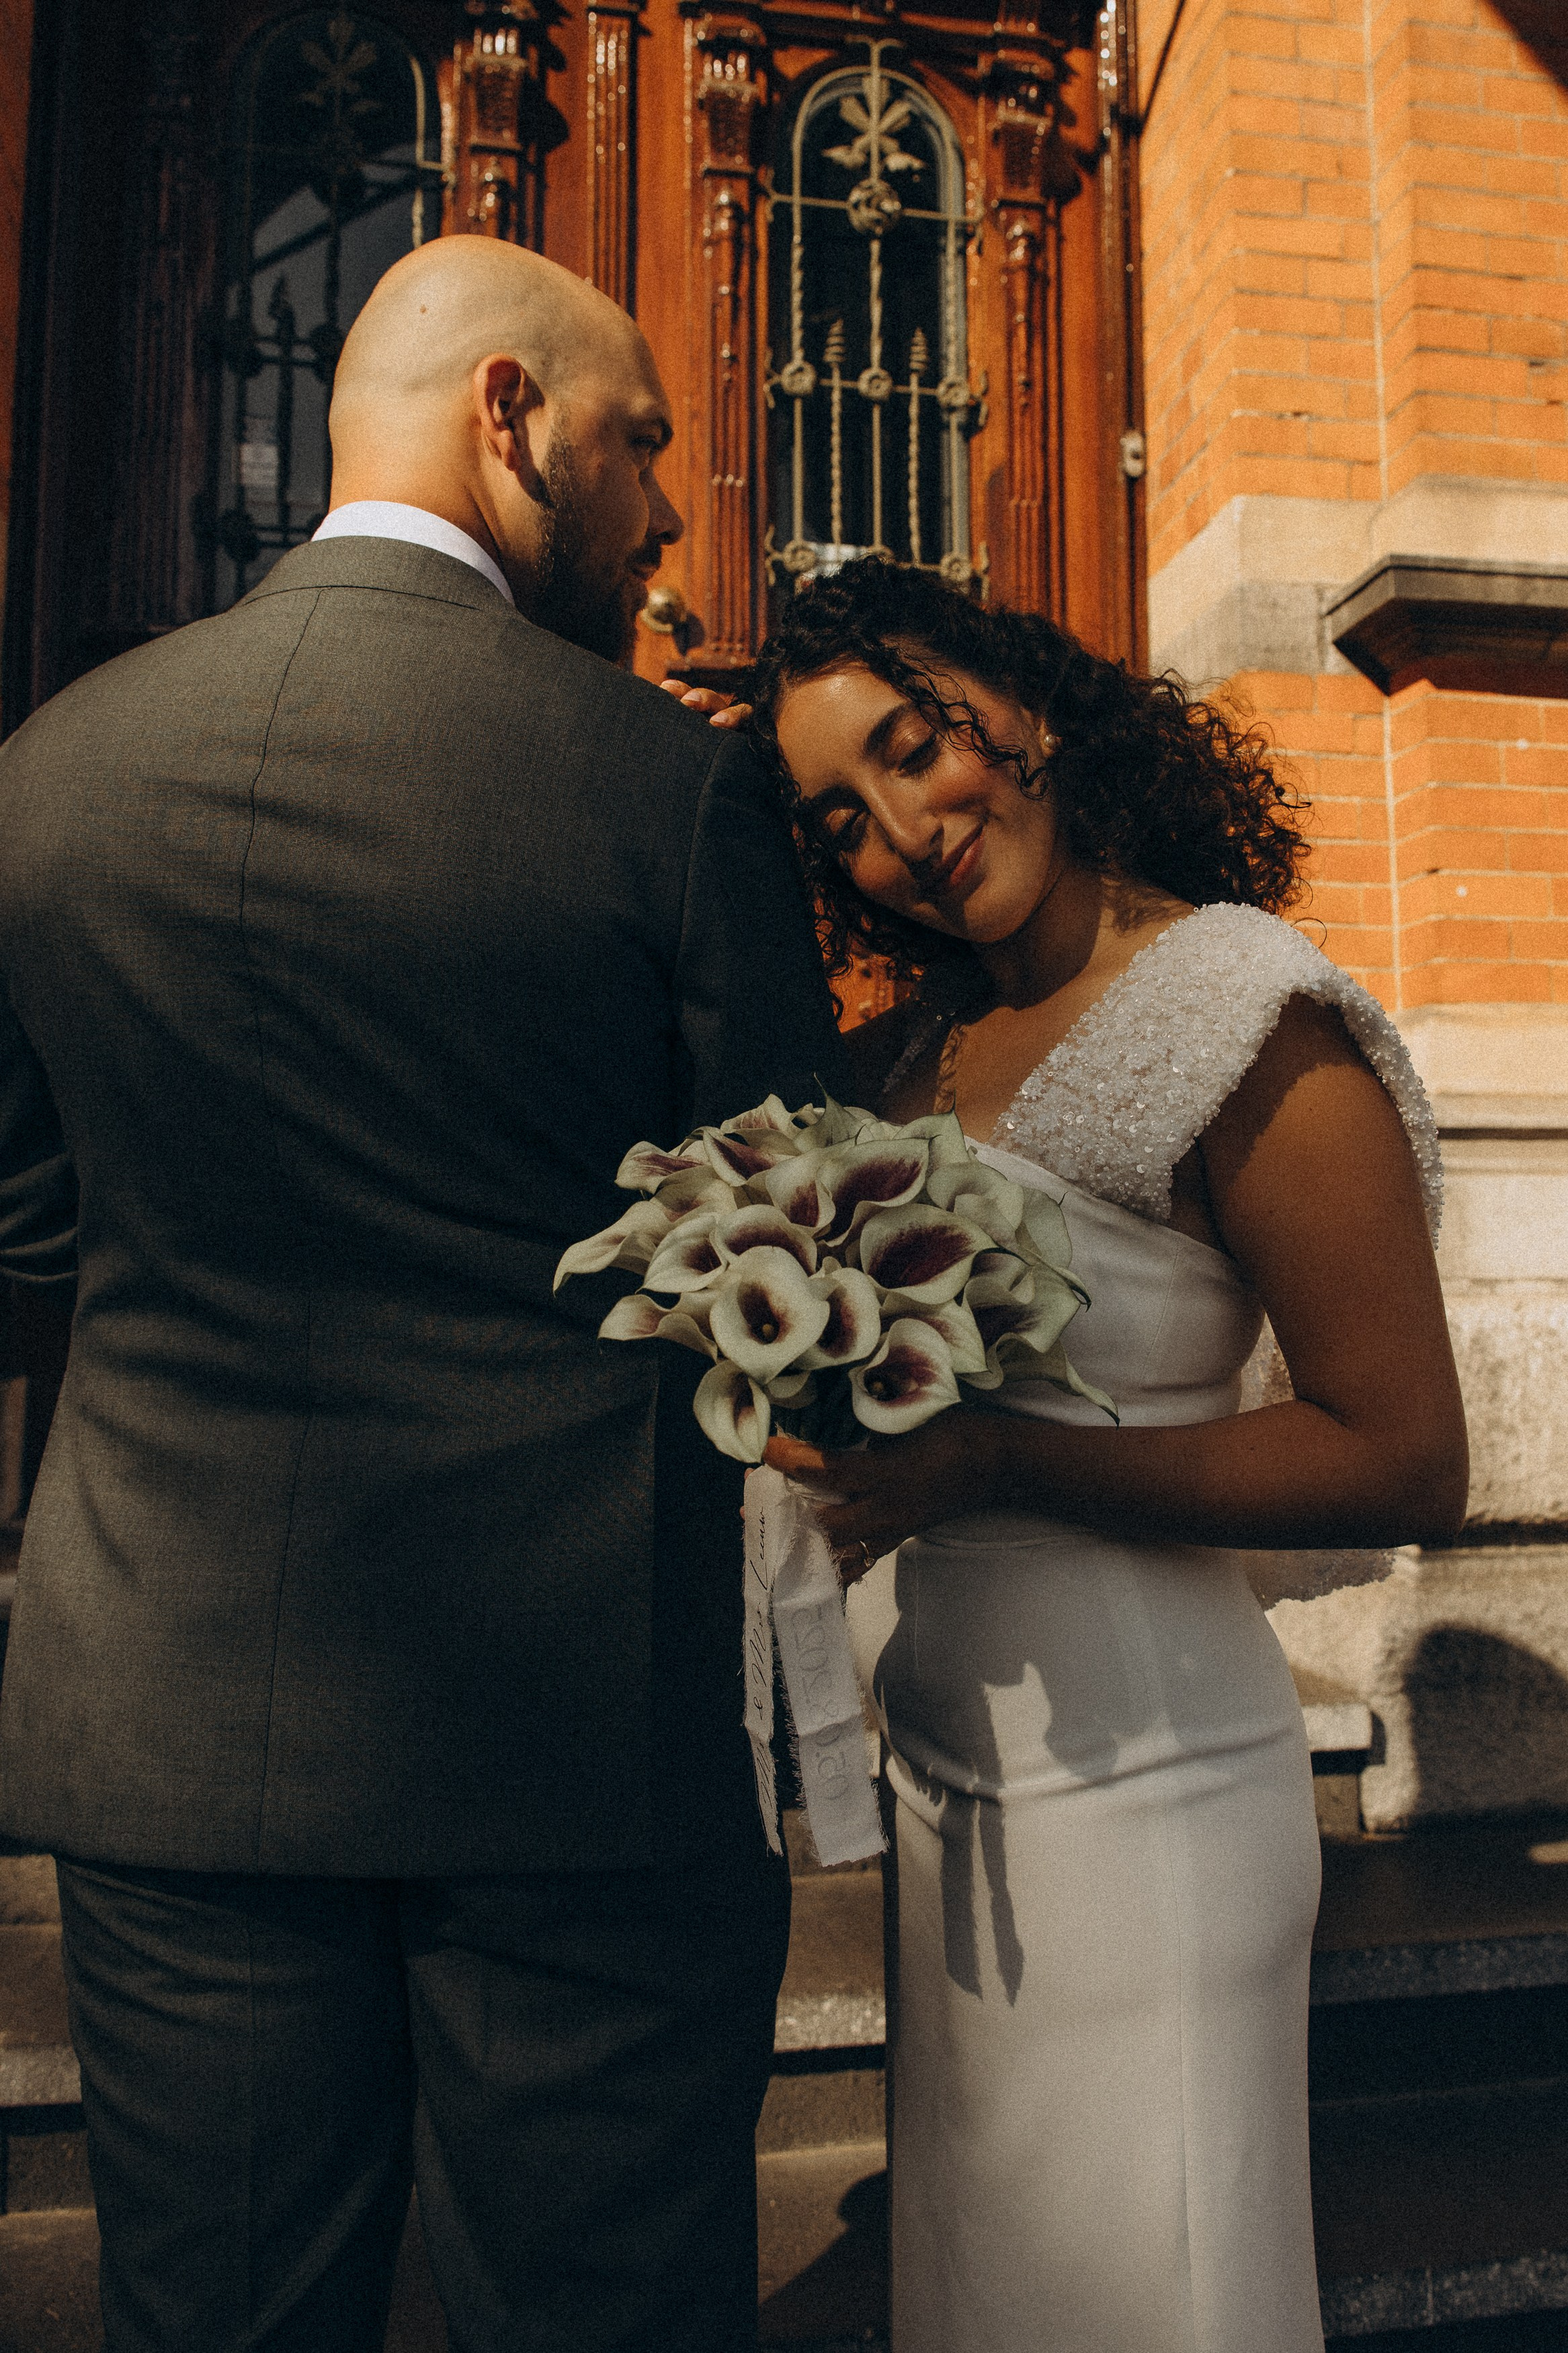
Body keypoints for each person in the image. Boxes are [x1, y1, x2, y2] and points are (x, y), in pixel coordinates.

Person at [0, 237, 850, 2353]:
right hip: (575, 1737)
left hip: (165, 1722)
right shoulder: (673, 789)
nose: (666, 517)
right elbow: (792, 1254)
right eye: (644, 443)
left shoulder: (51, 771)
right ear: (509, 417)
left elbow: (24, 1234)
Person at [746, 559, 1468, 2353]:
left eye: (918, 747)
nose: (904, 827)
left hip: (1148, 1794)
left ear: (1035, 712)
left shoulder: (1244, 1012)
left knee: (1156, 2291)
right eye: (839, 814)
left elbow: (1404, 1454)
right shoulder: (907, 1053)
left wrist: (1000, 1463)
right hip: (949, 1776)